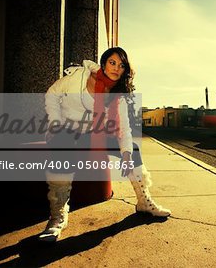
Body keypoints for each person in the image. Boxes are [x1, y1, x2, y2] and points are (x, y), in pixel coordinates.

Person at [39, 47, 171, 242]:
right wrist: (56, 122)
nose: (116, 68)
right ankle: (58, 216)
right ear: (103, 62)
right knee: (61, 149)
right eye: (112, 62)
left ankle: (144, 201)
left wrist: (125, 154)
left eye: (121, 65)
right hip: (67, 129)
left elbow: (123, 129)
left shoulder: (117, 96)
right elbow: (52, 93)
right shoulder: (80, 78)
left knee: (132, 150)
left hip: (95, 133)